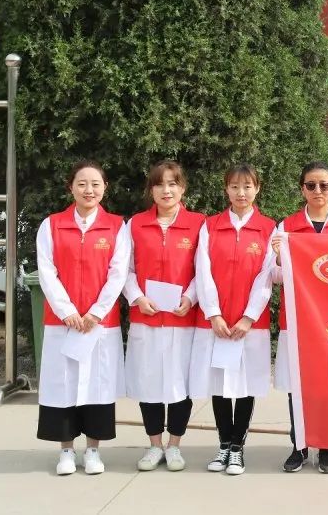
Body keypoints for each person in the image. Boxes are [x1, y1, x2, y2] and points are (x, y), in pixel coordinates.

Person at [35, 160, 130, 476]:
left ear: (105, 188)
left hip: (99, 325)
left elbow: (118, 274)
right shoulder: (52, 225)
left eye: (95, 184)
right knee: (62, 386)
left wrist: (95, 313)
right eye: (82, 183)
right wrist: (68, 312)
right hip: (62, 323)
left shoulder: (116, 226)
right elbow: (46, 272)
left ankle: (92, 450)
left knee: (97, 387)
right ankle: (65, 451)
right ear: (71, 187)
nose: (89, 190)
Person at [190, 163, 276, 476]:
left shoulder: (268, 228)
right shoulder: (210, 226)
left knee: (246, 386)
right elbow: (203, 272)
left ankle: (238, 447)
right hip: (217, 325)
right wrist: (213, 313)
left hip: (249, 327)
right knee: (220, 386)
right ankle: (223, 445)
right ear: (226, 189)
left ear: (257, 189)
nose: (241, 193)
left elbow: (266, 276)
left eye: (248, 186)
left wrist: (248, 317)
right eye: (235, 186)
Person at [272, 162, 328, 475]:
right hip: (298, 320)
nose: (318, 191)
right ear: (302, 189)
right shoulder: (286, 226)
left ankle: (326, 446)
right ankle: (299, 445)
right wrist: (279, 257)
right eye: (311, 185)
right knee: (298, 385)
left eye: (324, 185)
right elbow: (274, 277)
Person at [124, 161, 205, 472]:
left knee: (180, 384)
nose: (166, 190)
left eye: (173, 183)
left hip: (182, 320)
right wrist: (137, 297)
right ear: (151, 190)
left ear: (182, 188)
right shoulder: (135, 224)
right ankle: (154, 445)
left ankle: (174, 446)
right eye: (159, 184)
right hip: (146, 318)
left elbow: (203, 271)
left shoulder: (198, 224)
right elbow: (124, 270)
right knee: (149, 384)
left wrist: (190, 297)